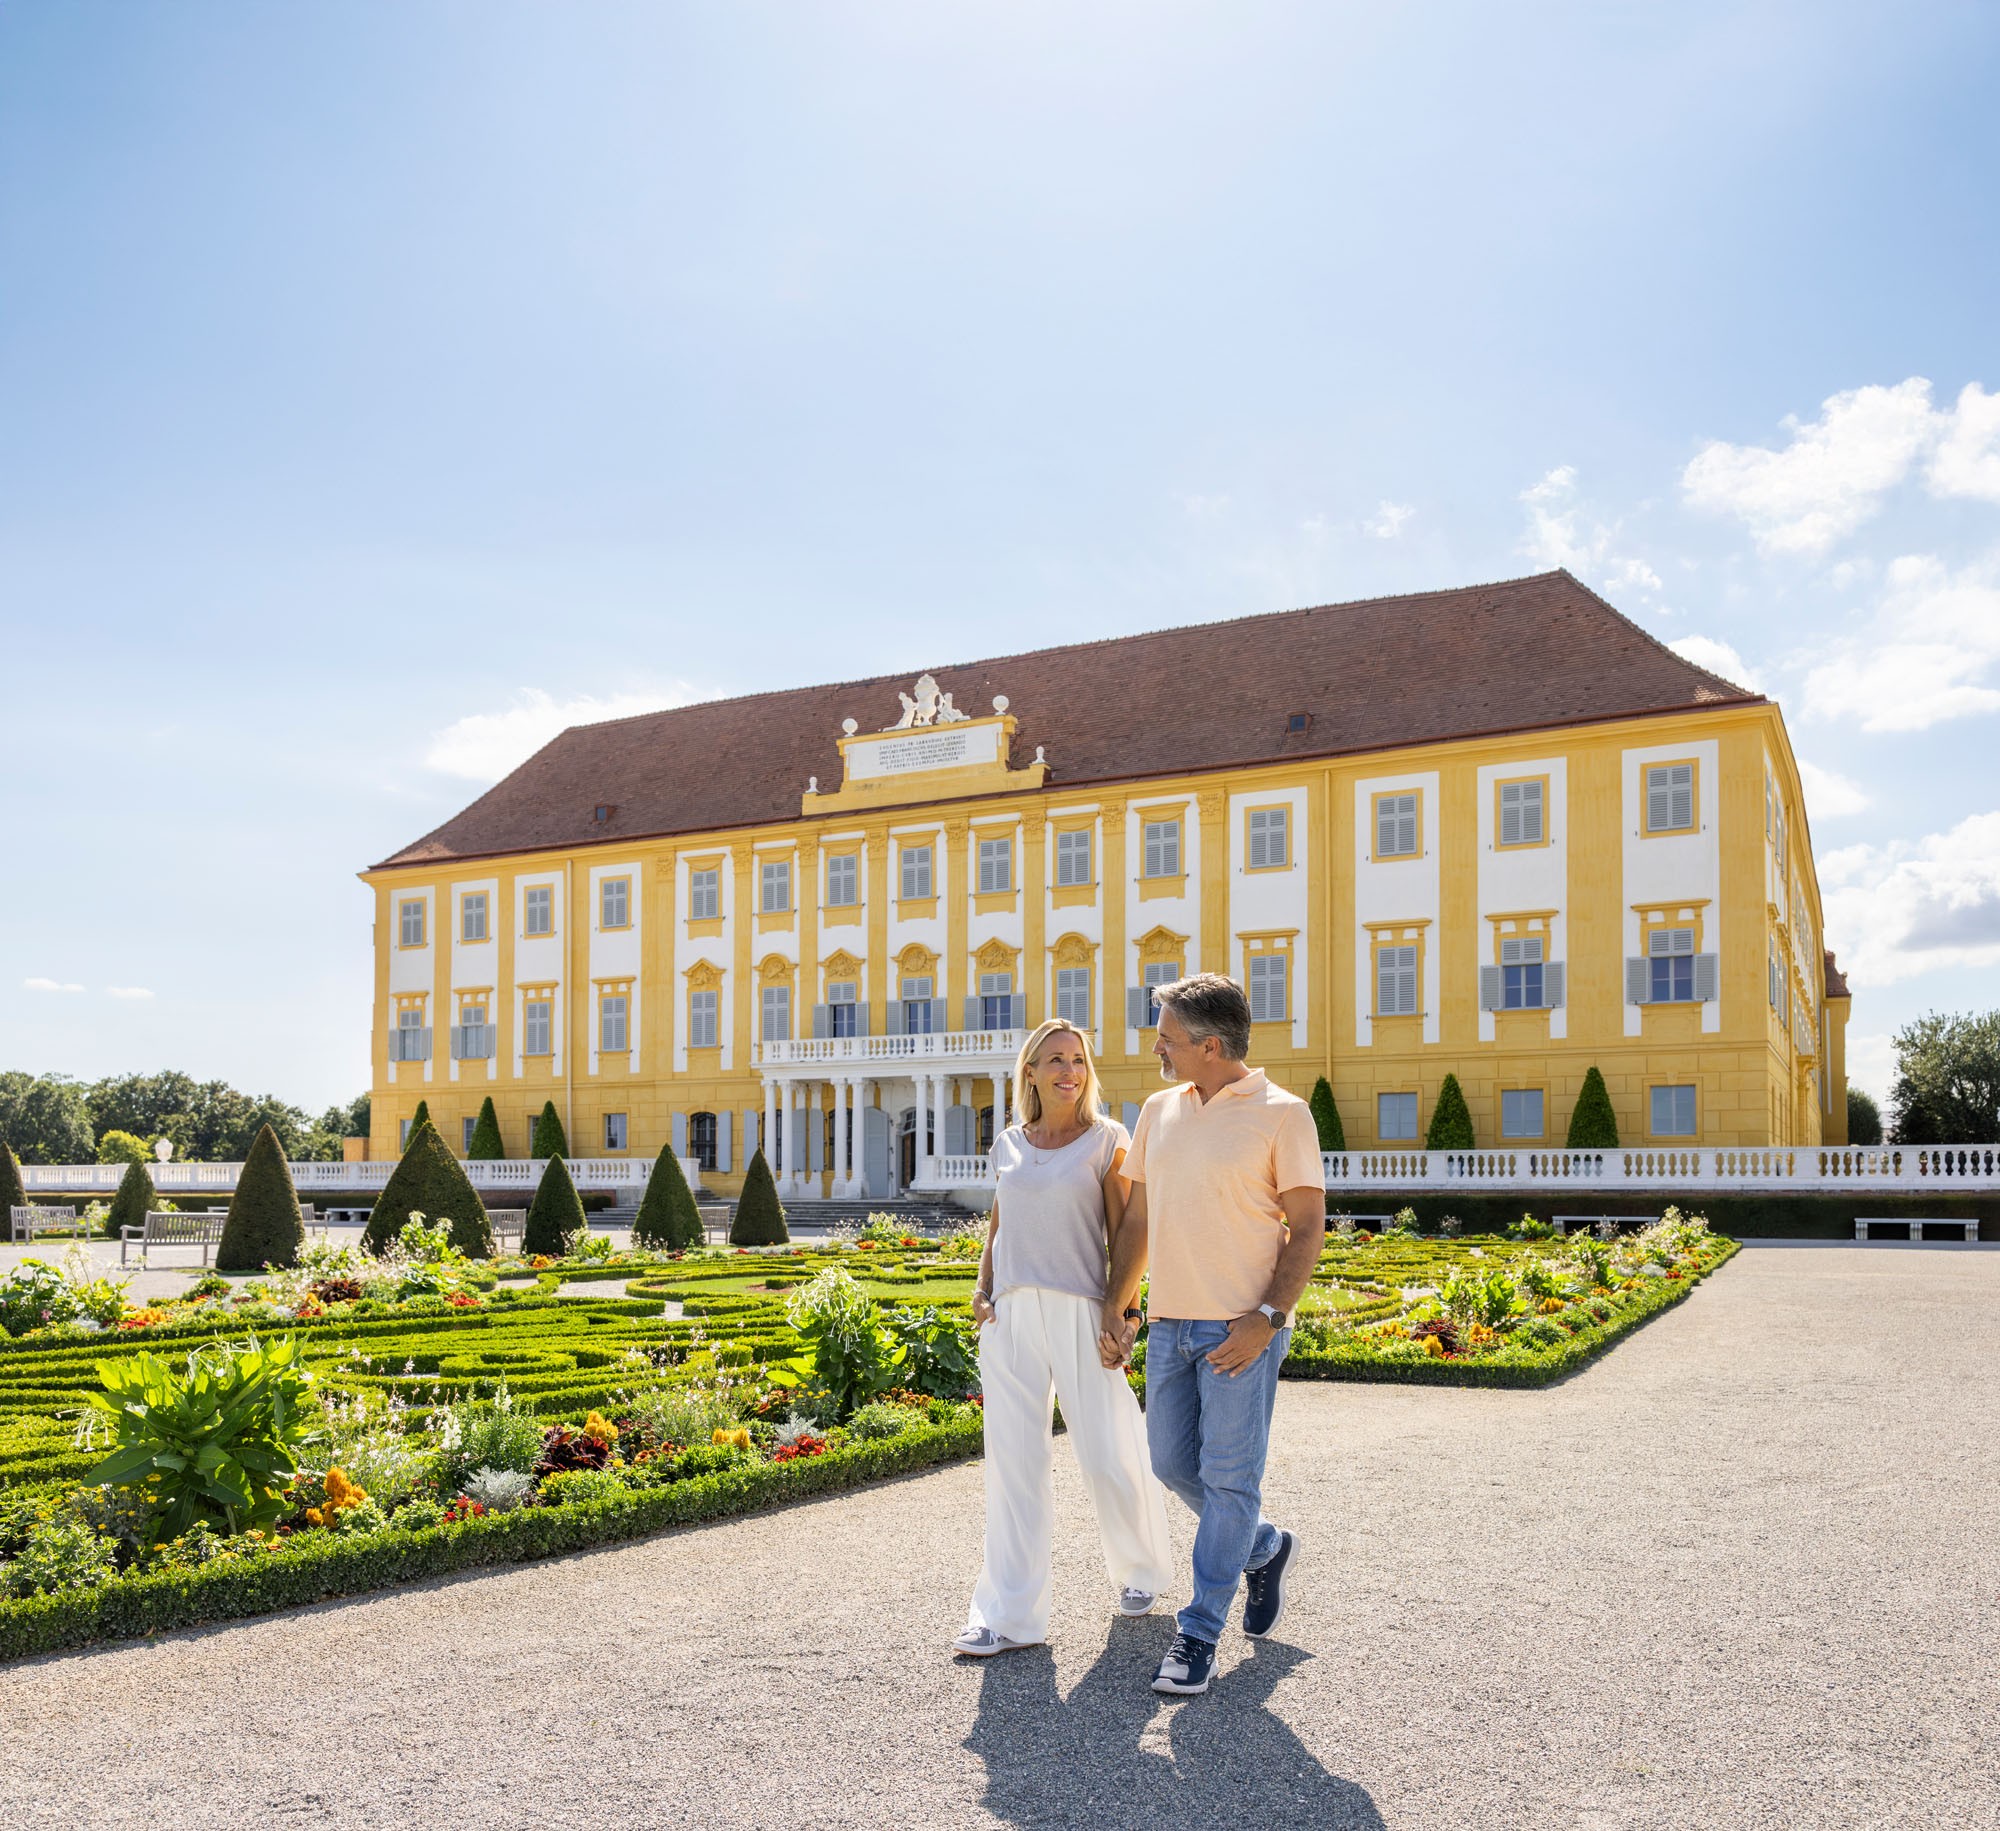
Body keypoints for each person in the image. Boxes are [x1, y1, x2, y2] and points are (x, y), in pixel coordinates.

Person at [1101, 973, 1327, 1696]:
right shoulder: (1158, 1110)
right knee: (1171, 1464)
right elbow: (1139, 1219)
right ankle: (1263, 1546)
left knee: (1231, 1480)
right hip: (1170, 1323)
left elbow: (1309, 1225)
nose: (1157, 1048)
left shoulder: (1284, 1114)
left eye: (1166, 1036)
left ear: (1209, 1045)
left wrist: (1269, 1318)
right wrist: (1118, 1305)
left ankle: (1198, 1632)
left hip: (1241, 1330)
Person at [954, 1019, 1176, 1657]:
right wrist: (982, 1289)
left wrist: (1124, 1313)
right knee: (1013, 1466)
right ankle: (1008, 1614)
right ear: (1029, 1072)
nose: (1068, 1071)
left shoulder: (1107, 1140)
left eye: (1077, 1060)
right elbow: (998, 1227)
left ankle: (1141, 1569)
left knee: (1108, 1450)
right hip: (1010, 1317)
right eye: (1054, 1059)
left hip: (1082, 1311)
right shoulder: (1009, 1144)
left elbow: (1129, 1232)